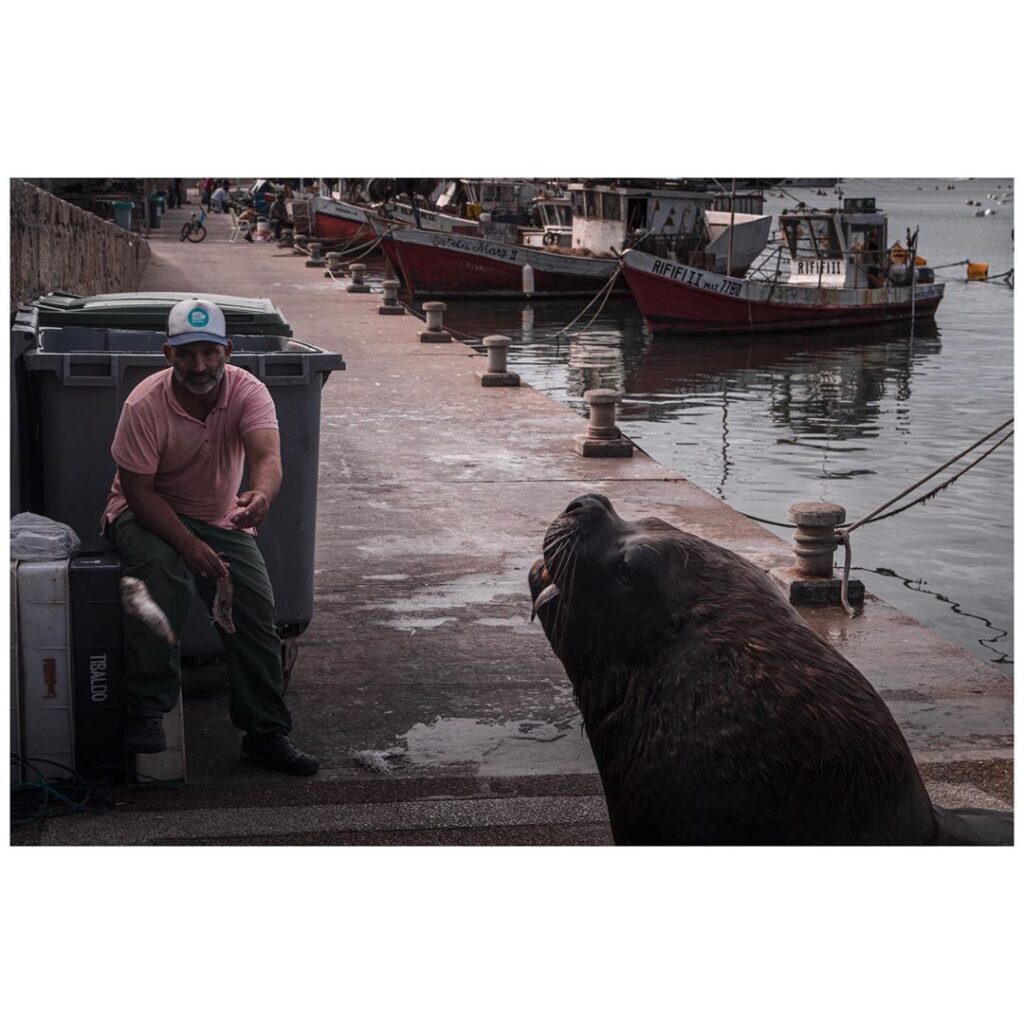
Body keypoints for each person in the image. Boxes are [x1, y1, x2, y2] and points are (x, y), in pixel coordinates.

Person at [102, 298, 319, 775]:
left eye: (208, 352)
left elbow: (267, 457)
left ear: (227, 350)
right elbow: (138, 492)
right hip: (145, 514)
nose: (198, 365)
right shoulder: (143, 403)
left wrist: (260, 496)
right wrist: (187, 545)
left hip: (217, 516)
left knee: (255, 608)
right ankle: (146, 705)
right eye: (186, 354)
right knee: (164, 574)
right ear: (167, 354)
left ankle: (265, 733)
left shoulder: (248, 391)